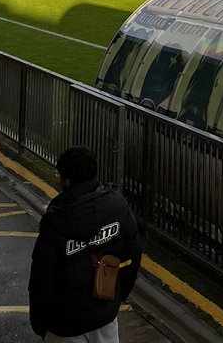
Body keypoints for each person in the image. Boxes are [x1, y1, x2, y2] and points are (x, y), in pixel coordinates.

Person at [29, 146, 141, 343]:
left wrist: (39, 324)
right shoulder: (118, 207)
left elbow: (41, 281)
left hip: (65, 324)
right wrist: (117, 297)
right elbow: (133, 257)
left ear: (66, 181)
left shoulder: (55, 221)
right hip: (105, 315)